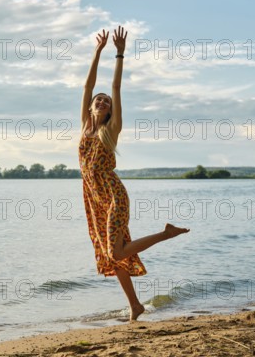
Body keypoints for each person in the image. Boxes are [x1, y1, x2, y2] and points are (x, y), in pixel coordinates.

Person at [79, 26, 190, 321]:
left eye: (106, 103)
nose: (102, 101)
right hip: (94, 200)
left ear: (110, 110)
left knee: (116, 253)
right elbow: (87, 87)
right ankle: (135, 306)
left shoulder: (109, 130)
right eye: (98, 100)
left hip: (114, 195)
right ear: (91, 107)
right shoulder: (84, 126)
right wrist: (96, 51)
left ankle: (166, 234)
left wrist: (118, 53)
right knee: (111, 257)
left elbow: (115, 88)